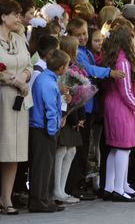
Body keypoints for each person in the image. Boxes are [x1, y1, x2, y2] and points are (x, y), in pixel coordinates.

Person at [66, 18, 124, 199]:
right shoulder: (77, 53)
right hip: (81, 105)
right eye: (79, 35)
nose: (82, 37)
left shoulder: (86, 51)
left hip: (90, 104)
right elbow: (86, 69)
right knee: (80, 148)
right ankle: (75, 185)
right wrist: (109, 72)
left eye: (84, 34)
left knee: (85, 146)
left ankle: (80, 183)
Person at [102, 26, 135, 202]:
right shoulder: (123, 62)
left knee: (115, 147)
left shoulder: (113, 59)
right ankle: (119, 188)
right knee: (123, 147)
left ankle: (110, 186)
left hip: (111, 104)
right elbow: (126, 91)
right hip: (121, 106)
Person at [0, 0, 33, 215]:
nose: (19, 18)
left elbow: (29, 64)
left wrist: (22, 78)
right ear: (3, 16)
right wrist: (10, 80)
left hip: (18, 100)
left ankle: (6, 198)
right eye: (15, 14)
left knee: (14, 151)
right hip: (2, 96)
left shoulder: (20, 39)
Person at [29, 49, 70, 212]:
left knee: (47, 164)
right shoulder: (47, 82)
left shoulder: (47, 79)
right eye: (66, 66)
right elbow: (50, 110)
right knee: (42, 165)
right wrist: (52, 131)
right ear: (61, 68)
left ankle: (45, 198)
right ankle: (38, 201)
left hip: (42, 127)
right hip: (43, 128)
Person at [54, 36, 86, 203]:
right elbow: (66, 95)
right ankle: (56, 190)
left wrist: (79, 116)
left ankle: (63, 188)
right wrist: (70, 117)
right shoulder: (62, 70)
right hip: (64, 116)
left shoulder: (73, 69)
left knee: (71, 150)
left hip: (71, 115)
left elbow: (77, 94)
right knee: (61, 151)